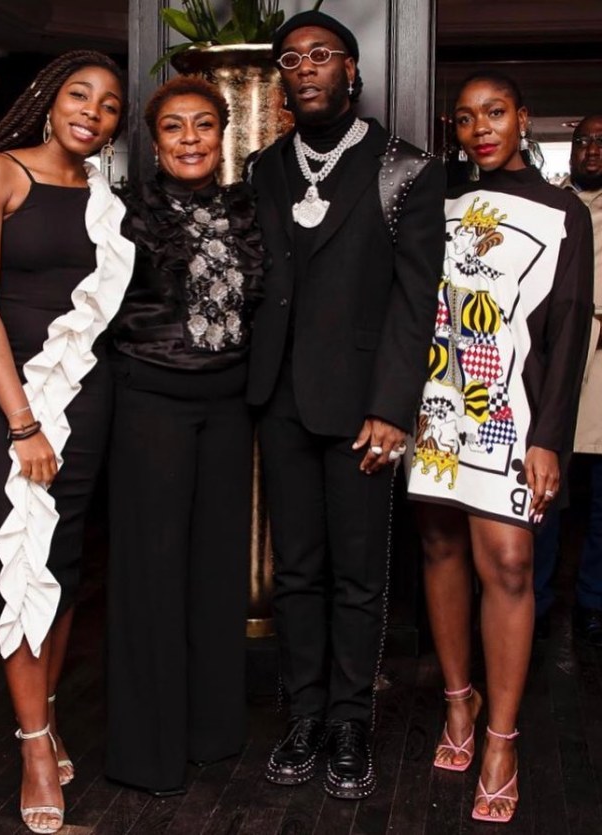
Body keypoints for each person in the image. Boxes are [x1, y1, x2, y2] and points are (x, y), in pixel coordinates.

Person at [244, 11, 446, 800]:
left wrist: (392, 406)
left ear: (351, 70)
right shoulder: (265, 168)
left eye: (321, 55)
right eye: (291, 59)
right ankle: (305, 715)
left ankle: (352, 721)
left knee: (359, 574)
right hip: (280, 400)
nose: (306, 68)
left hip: (364, 406)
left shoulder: (406, 169)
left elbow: (415, 298)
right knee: (296, 572)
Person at [0, 50, 134, 834]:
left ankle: (45, 715)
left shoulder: (104, 198)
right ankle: (33, 749)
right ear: (49, 101)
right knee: (22, 557)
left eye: (110, 104)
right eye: (80, 94)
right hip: (4, 394)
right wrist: (22, 422)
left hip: (86, 391)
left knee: (65, 558)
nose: (93, 111)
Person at [406, 72, 593, 824]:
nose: (480, 128)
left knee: (510, 562)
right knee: (439, 545)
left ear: (522, 118)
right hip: (436, 400)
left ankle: (502, 740)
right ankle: (460, 702)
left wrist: (550, 440)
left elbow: (570, 330)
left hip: (514, 411)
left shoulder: (563, 211)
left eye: (494, 113)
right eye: (465, 118)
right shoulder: (438, 202)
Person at [103, 74, 264, 796]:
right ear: (154, 140)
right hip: (151, 404)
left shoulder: (248, 208)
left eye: (204, 124)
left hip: (229, 407)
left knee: (216, 571)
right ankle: (148, 753)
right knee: (151, 573)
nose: (190, 138)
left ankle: (211, 733)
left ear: (223, 134)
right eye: (174, 126)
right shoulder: (121, 211)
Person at [533, 114, 602, 646]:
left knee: (601, 498)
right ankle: (533, 601)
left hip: (600, 368)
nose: (592, 150)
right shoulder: (550, 204)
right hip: (552, 364)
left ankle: (592, 601)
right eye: (583, 141)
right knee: (543, 492)